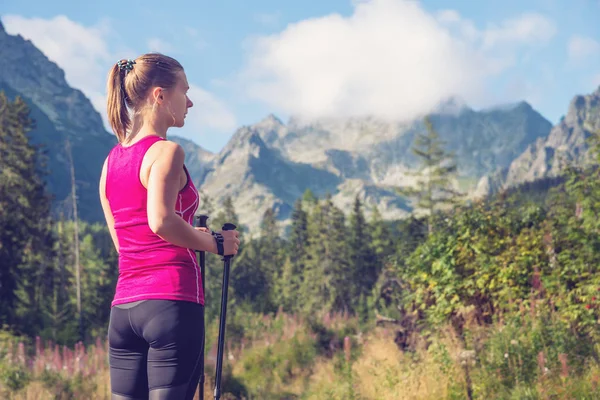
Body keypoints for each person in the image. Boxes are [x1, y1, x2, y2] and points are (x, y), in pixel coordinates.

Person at [98, 53, 240, 400]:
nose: (190, 102)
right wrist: (215, 243)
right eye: (184, 91)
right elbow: (161, 221)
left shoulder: (110, 162)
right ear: (159, 95)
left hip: (123, 311)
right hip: (172, 302)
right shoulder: (166, 152)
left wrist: (193, 235)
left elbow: (127, 243)